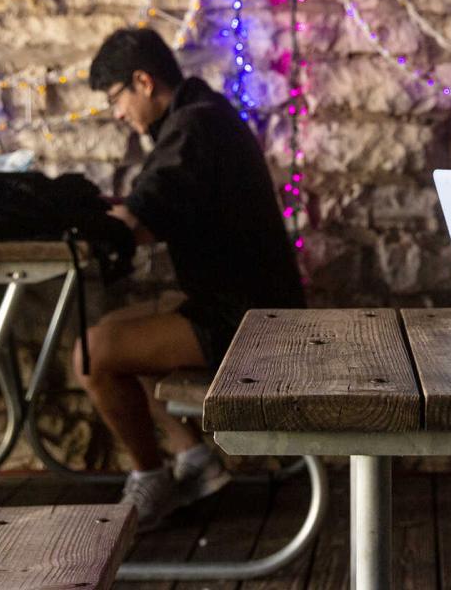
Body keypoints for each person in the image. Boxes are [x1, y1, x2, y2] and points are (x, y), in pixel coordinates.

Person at [77, 27, 306, 531]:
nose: (117, 113)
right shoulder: (200, 115)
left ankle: (149, 477)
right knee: (119, 329)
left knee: (92, 353)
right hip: (245, 308)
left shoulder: (194, 127)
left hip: (250, 322)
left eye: (117, 99)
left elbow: (147, 210)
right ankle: (195, 460)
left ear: (143, 81)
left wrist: (94, 223)